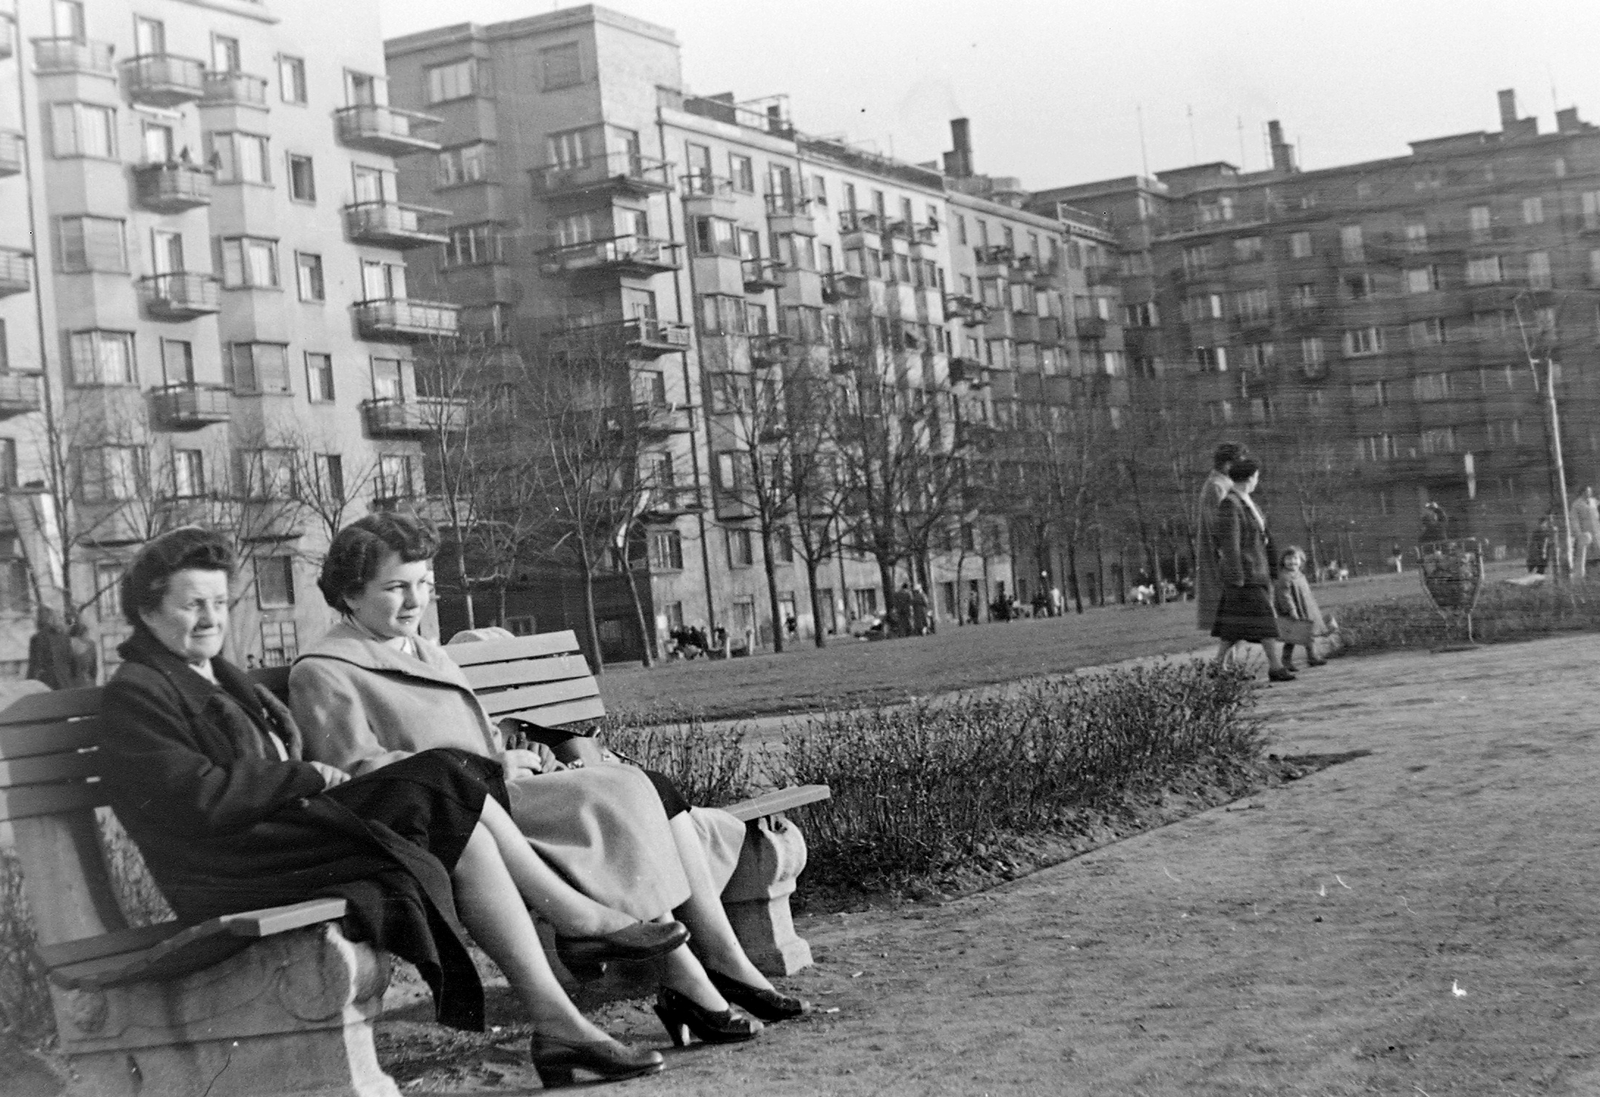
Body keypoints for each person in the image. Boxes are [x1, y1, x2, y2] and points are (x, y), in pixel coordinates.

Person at [98, 527, 673, 1087]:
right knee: (442, 775)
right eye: (192, 605)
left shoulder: (215, 675)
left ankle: (559, 1024)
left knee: (455, 807)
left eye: (220, 603)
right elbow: (195, 801)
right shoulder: (140, 691)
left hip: (279, 836)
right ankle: (575, 921)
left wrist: (297, 780)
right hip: (231, 864)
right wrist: (301, 775)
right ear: (148, 613)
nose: (211, 618)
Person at [292, 515, 803, 1044]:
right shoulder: (326, 669)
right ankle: (694, 978)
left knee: (637, 784)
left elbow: (467, 733)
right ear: (349, 595)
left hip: (495, 796)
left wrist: (514, 751)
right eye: (395, 588)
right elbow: (356, 778)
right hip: (455, 820)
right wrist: (488, 768)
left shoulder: (421, 648)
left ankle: (711, 967)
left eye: (423, 584)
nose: (415, 600)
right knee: (623, 794)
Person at [1211, 458, 1295, 683]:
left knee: (1233, 627)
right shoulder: (1231, 504)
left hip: (1255, 573)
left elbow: (1264, 538)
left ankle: (1217, 666)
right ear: (1250, 478)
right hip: (1245, 576)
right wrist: (1237, 576)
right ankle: (1276, 667)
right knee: (1265, 622)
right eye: (1257, 476)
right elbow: (1230, 544)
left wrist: (1272, 568)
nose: (1258, 481)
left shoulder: (1248, 503)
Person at [1195, 442, 1246, 642]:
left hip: (1230, 555)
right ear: (1227, 464)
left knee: (1236, 615)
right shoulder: (1217, 487)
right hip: (1223, 559)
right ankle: (1225, 666)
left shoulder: (1225, 485)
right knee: (1231, 613)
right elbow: (1218, 527)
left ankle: (1230, 665)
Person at [1273, 546, 1328, 671]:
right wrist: (1291, 610)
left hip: (1306, 608)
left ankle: (1312, 656)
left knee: (1308, 634)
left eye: (1295, 558)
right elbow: (1284, 596)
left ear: (1301, 560)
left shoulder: (1299, 575)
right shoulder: (1284, 577)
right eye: (1288, 559)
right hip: (1294, 611)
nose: (1292, 562)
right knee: (1292, 637)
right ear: (1283, 561)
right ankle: (1286, 661)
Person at [27, 606, 78, 690]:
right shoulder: (64, 637)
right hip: (65, 682)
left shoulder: (37, 638)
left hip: (46, 684)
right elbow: (72, 660)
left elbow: (34, 664)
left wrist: (29, 685)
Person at [1571, 488, 1600, 579]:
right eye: (1587, 491)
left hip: (1597, 531)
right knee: (1587, 556)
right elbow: (1574, 520)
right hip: (1586, 533)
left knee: (1598, 552)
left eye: (1590, 491)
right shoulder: (1576, 504)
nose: (1589, 493)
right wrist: (1579, 533)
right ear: (1582, 492)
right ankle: (1588, 577)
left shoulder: (1594, 502)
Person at [68, 618, 98, 687]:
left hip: (87, 681)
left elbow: (94, 668)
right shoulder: (69, 646)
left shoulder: (91, 645)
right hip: (77, 682)